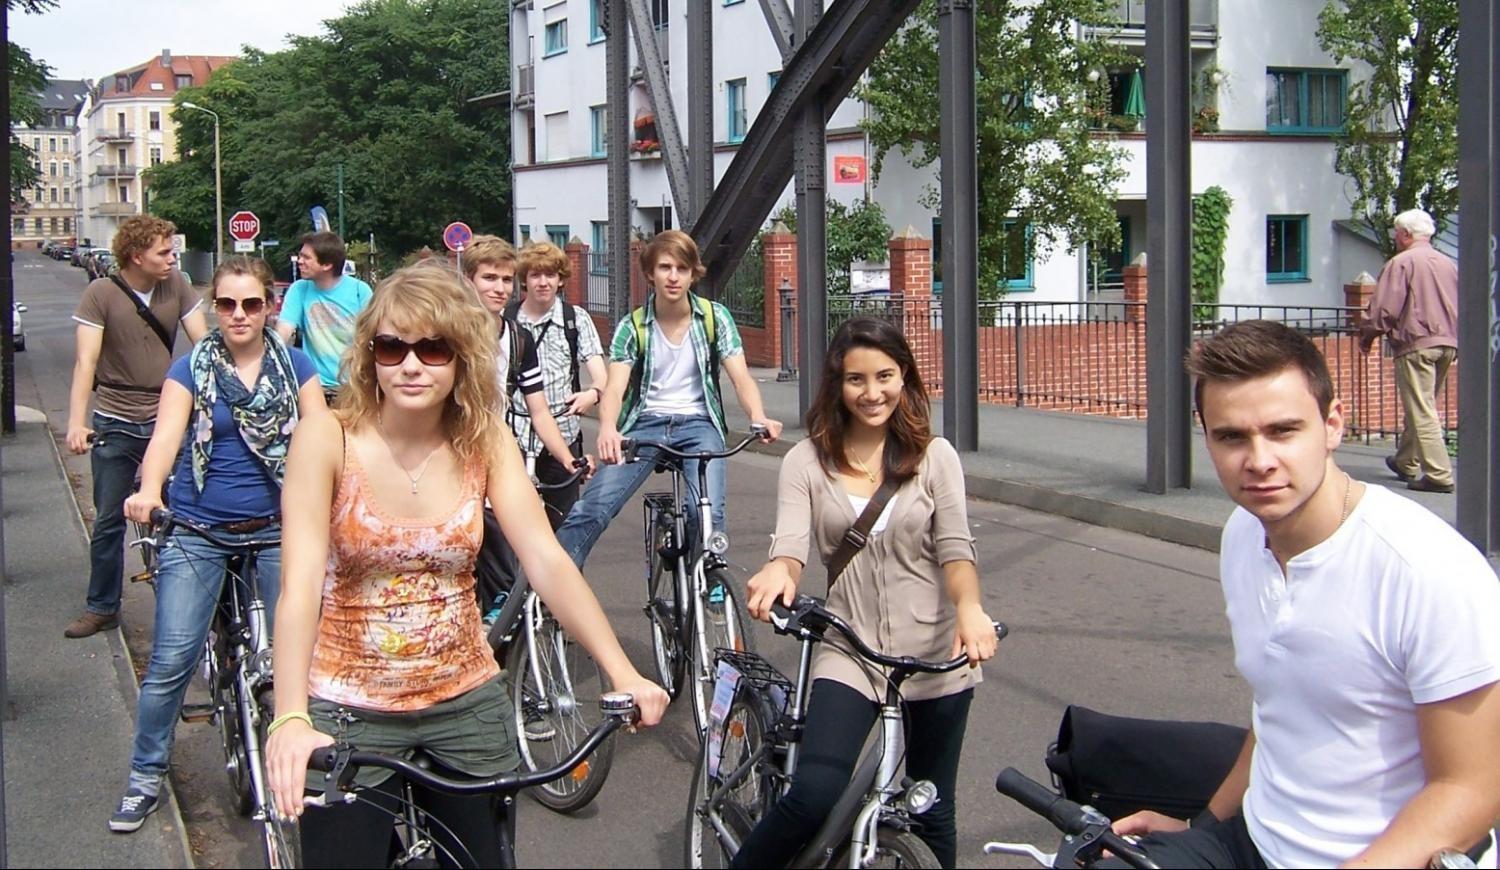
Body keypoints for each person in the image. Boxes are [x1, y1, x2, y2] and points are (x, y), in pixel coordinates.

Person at [264, 265, 668, 868]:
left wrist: (622, 671)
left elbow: (546, 560)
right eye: (392, 346)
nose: (410, 364)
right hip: (350, 704)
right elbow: (298, 587)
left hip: (464, 698)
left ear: (461, 359)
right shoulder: (328, 438)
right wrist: (290, 717)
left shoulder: (486, 440)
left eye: (432, 348)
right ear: (369, 353)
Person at [1109, 320, 1500, 869]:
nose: (1259, 460)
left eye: (1283, 430)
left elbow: (1471, 789)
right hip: (1253, 839)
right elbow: (1280, 707)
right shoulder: (1243, 536)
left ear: (1333, 424)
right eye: (1232, 437)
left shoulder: (1427, 570)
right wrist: (1201, 827)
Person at [735, 317, 997, 869]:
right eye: (857, 379)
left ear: (905, 378)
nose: (872, 393)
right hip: (850, 649)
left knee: (932, 812)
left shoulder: (935, 457)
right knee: (813, 796)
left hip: (935, 656)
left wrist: (969, 609)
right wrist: (781, 570)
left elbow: (956, 553)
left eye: (885, 376)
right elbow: (789, 546)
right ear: (838, 383)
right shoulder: (806, 461)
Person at [108, 257, 325, 833]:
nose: (238, 315)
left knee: (297, 656)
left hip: (280, 527)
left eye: (250, 304)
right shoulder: (190, 369)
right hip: (200, 528)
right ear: (213, 307)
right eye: (225, 304)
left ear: (269, 306)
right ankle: (145, 774)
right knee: (173, 658)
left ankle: (301, 759)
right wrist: (150, 489)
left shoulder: (295, 366)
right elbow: (165, 438)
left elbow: (325, 439)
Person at [555, 230, 783, 566]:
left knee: (704, 513)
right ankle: (547, 592)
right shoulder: (633, 327)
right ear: (651, 274)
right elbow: (616, 388)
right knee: (592, 509)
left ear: (693, 274)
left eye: (681, 268)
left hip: (699, 425)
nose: (673, 277)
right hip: (644, 425)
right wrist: (608, 429)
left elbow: (741, 378)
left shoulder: (715, 318)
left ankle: (708, 584)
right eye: (665, 267)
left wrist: (758, 416)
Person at [63, 215, 208, 639]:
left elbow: (203, 345)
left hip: (168, 417)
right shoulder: (101, 294)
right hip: (117, 421)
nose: (172, 257)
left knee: (180, 516)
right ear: (136, 255)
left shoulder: (176, 284)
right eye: (164, 251)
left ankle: (187, 608)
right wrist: (76, 422)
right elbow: (85, 362)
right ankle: (102, 607)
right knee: (108, 519)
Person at [460, 235, 587, 486]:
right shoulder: (448, 335)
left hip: (496, 450)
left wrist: (567, 459)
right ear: (468, 281)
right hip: (453, 455)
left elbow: (539, 412)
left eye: (506, 280)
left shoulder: (519, 338)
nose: (500, 289)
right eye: (489, 278)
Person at [1358, 208, 1458, 494]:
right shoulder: (1447, 263)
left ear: (1405, 234)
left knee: (1422, 408)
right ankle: (1405, 461)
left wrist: (1368, 334)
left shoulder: (1401, 263)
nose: (1395, 237)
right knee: (1422, 404)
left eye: (1396, 233)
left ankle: (1439, 474)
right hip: (1447, 342)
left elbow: (1385, 308)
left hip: (1417, 342)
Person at [507, 241, 607, 526]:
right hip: (515, 436)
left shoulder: (574, 319)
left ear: (560, 279)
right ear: (524, 279)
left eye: (550, 275)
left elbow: (599, 373)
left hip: (562, 434)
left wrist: (593, 393)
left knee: (565, 526)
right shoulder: (507, 321)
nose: (543, 282)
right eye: (535, 275)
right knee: (512, 528)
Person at [274, 231, 374, 403]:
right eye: (300, 256)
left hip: (353, 388)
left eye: (306, 257)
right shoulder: (299, 289)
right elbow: (284, 329)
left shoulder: (360, 291)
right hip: (314, 387)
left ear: (327, 264)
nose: (300, 261)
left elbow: (371, 336)